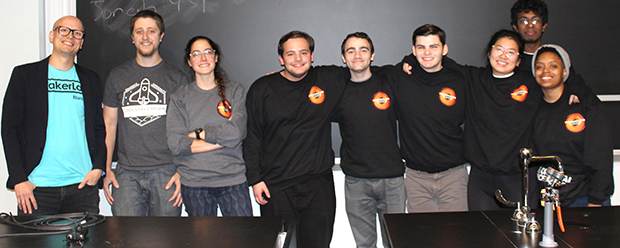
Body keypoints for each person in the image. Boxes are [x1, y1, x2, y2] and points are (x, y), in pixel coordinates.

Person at [244, 30, 346, 248]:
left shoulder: (328, 79)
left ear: (312, 56)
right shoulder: (262, 88)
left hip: (318, 186)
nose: (298, 59)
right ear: (281, 59)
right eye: (290, 54)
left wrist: (408, 63)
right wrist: (255, 179)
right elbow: (252, 136)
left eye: (303, 53)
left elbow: (364, 69)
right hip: (276, 187)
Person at [2, 16, 106, 215]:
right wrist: (18, 178)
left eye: (77, 33)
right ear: (52, 35)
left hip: (82, 186)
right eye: (63, 30)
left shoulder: (91, 79)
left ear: (81, 42)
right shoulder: (25, 75)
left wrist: (98, 168)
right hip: (36, 188)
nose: (70, 36)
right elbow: (9, 129)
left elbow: (98, 127)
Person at [102, 10, 188, 216]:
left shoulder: (177, 78)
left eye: (151, 31)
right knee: (127, 240)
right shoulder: (117, 76)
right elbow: (109, 125)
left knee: (167, 240)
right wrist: (107, 170)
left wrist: (184, 172)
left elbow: (188, 130)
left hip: (167, 172)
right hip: (125, 174)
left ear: (161, 36)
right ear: (132, 38)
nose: (145, 37)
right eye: (139, 32)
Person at [332, 32, 405, 248]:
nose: (357, 55)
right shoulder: (337, 91)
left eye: (363, 49)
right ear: (343, 58)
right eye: (351, 50)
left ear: (372, 55)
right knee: (364, 245)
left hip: (392, 180)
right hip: (356, 181)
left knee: (396, 242)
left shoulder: (390, 82)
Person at [166, 36, 252, 216]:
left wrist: (197, 134)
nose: (203, 58)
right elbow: (176, 144)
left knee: (244, 241)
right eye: (196, 54)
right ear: (189, 62)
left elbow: (237, 133)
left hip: (232, 180)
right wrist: (224, 140)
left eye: (207, 52)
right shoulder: (179, 98)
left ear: (216, 57)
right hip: (195, 183)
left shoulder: (235, 91)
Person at [390, 24, 469, 213]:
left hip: (454, 176)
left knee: (456, 238)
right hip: (416, 179)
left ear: (445, 49)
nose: (427, 52)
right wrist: (407, 61)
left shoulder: (460, 80)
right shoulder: (401, 78)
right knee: (421, 239)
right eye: (421, 47)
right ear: (413, 50)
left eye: (433, 46)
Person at [531, 44, 614, 207]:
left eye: (553, 66)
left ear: (564, 72)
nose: (545, 71)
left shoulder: (586, 104)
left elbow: (601, 155)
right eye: (539, 67)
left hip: (585, 198)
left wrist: (596, 200)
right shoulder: (532, 108)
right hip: (550, 200)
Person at [510, 0, 548, 71]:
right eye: (524, 21)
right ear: (515, 27)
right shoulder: (508, 60)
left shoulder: (555, 58)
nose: (530, 25)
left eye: (535, 20)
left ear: (544, 26)